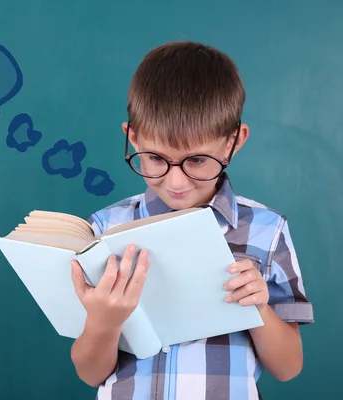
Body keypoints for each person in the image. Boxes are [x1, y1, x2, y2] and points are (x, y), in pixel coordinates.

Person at [69, 41, 314, 400]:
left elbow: (288, 367)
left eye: (197, 160)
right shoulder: (105, 230)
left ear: (233, 142)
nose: (176, 181)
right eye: (154, 158)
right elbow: (90, 374)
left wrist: (260, 307)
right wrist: (104, 324)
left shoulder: (266, 230)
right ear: (132, 138)